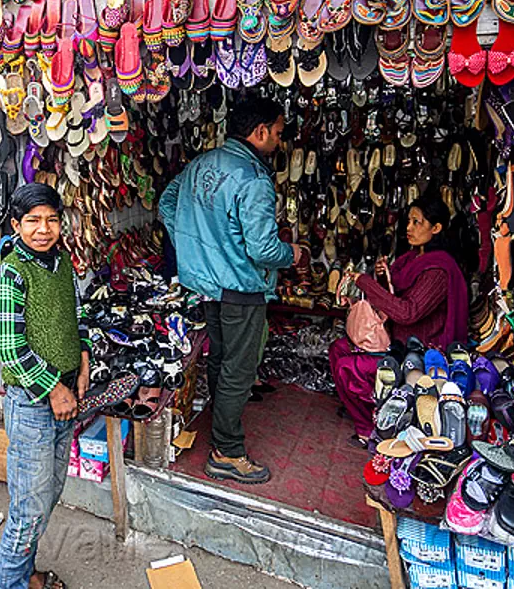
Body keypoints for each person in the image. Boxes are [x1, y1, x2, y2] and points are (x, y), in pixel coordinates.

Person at [159, 96, 305, 485]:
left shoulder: (201, 164)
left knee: (222, 361)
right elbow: (263, 249)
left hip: (206, 284)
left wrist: (193, 244)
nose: (278, 140)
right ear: (258, 133)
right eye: (276, 133)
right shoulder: (254, 180)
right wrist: (293, 254)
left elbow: (167, 204)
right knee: (239, 370)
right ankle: (227, 451)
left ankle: (221, 430)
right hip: (240, 289)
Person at [0, 183, 89, 589]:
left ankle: (26, 575)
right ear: (16, 225)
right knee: (28, 509)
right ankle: (9, 585)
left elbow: (75, 314)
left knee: (47, 497)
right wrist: (53, 389)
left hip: (65, 394)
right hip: (32, 403)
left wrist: (83, 355)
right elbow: (9, 350)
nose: (43, 229)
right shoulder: (11, 271)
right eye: (32, 221)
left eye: (51, 220)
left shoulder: (61, 262)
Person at [329, 195, 470, 444]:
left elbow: (408, 313)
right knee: (337, 349)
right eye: (409, 221)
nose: (409, 228)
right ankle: (363, 409)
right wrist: (385, 280)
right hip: (396, 339)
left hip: (419, 351)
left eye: (417, 222)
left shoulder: (439, 269)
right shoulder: (412, 258)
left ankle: (367, 428)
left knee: (347, 367)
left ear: (436, 228)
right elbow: (393, 298)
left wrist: (367, 283)